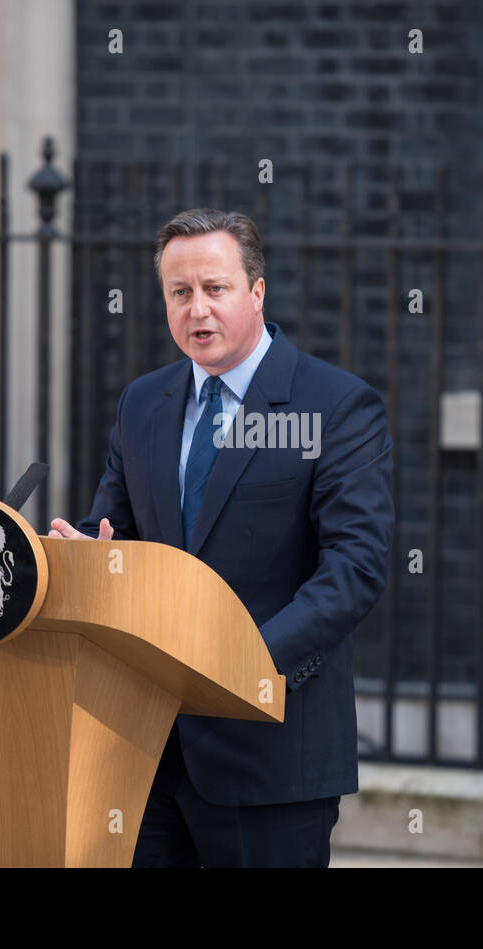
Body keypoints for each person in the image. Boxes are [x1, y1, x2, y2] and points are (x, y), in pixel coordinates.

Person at [47, 208, 394, 867]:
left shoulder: (337, 406)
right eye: (180, 293)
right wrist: (89, 560)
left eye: (215, 288)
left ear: (256, 291)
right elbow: (114, 531)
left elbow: (357, 566)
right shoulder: (141, 404)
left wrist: (242, 662)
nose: (196, 309)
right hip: (144, 752)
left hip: (270, 751)